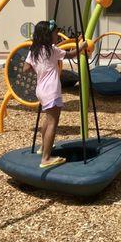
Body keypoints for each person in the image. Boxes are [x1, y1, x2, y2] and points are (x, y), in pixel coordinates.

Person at [23, 20, 88, 168]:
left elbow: (26, 68)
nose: (56, 35)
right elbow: (71, 55)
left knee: (48, 118)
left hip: (40, 89)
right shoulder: (52, 50)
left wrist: (41, 71)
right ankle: (46, 159)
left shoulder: (34, 50)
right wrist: (82, 46)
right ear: (47, 35)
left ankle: (43, 147)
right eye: (54, 33)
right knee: (53, 122)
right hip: (51, 90)